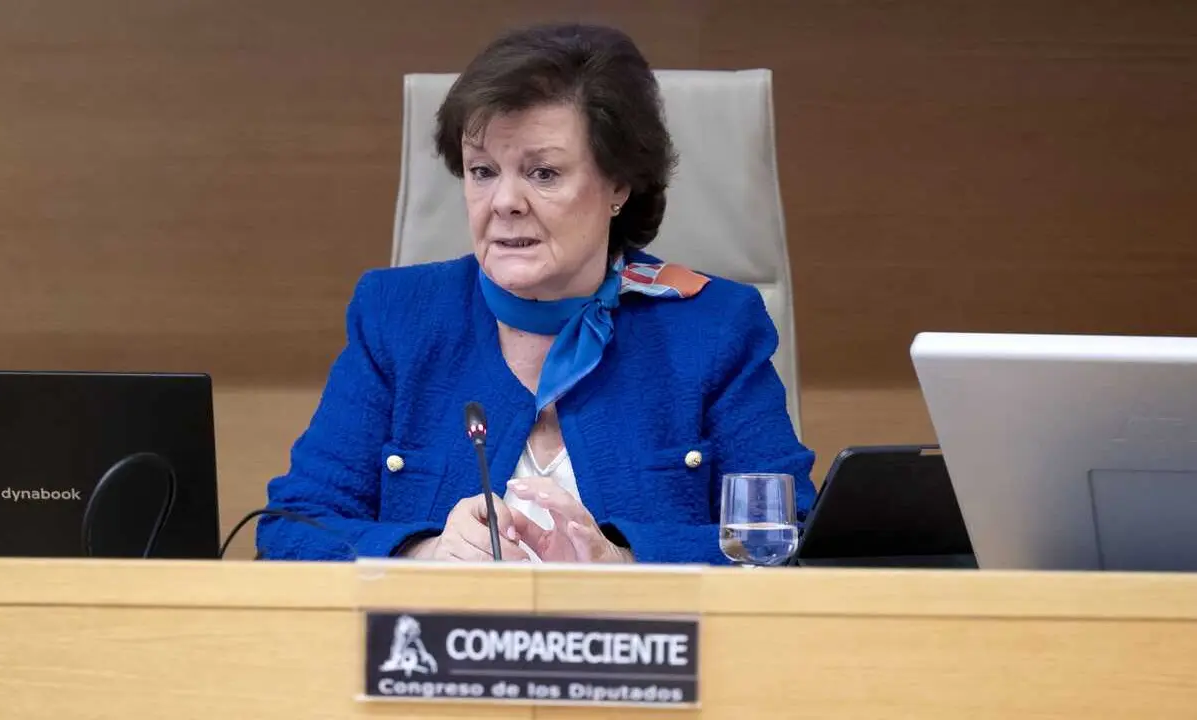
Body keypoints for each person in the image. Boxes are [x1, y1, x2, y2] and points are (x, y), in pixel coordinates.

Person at [255, 22, 815, 565]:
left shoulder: (712, 327)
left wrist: (625, 562)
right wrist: (425, 554)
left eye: (543, 173)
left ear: (619, 184)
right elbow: (291, 528)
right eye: (482, 171)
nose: (504, 202)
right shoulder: (398, 317)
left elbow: (794, 541)